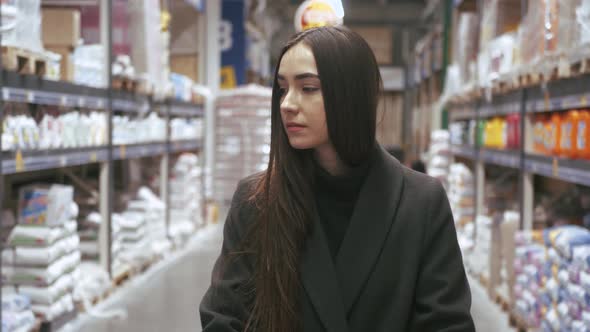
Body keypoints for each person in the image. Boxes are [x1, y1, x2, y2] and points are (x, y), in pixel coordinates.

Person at [200, 26, 475, 332]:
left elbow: (447, 324)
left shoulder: (422, 204)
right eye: (282, 88)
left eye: (308, 88)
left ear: (351, 95)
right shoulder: (256, 201)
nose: (287, 104)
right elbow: (223, 317)